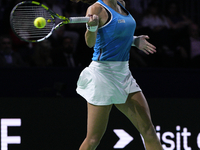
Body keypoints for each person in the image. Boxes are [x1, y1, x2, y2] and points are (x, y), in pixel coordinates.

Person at [71, 0, 163, 150]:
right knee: (93, 139)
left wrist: (134, 41)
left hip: (124, 73)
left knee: (149, 131)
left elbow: (118, 33)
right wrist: (92, 28)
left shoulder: (121, 3)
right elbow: (90, 42)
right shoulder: (96, 9)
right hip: (102, 75)